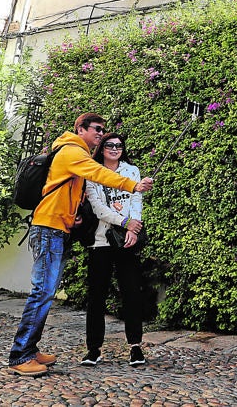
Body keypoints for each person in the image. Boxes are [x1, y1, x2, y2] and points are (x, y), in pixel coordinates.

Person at [7, 113, 154, 377]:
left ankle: (30, 348)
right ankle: (21, 355)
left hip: (57, 227)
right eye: (97, 129)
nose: (101, 134)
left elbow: (71, 192)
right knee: (42, 291)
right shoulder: (73, 150)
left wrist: (74, 217)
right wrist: (133, 185)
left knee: (46, 292)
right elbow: (98, 173)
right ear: (81, 129)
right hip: (49, 228)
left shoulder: (73, 152)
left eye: (103, 130)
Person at [81, 132, 149, 367]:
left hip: (127, 240)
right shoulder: (93, 171)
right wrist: (124, 222)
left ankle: (135, 347)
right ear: (101, 148)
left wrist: (134, 229)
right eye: (109, 144)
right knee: (96, 296)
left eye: (118, 145)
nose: (114, 148)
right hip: (100, 240)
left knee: (131, 293)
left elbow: (136, 200)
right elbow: (98, 207)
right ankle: (93, 349)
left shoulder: (132, 171)